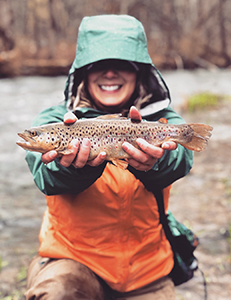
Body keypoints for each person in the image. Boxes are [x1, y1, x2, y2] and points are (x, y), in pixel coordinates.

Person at [24, 15, 193, 300]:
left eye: (121, 66)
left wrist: (156, 162)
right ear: (82, 72)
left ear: (140, 71)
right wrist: (74, 170)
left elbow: (182, 161)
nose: (110, 74)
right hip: (74, 263)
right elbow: (46, 177)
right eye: (99, 66)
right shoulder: (57, 121)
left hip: (147, 272)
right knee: (57, 292)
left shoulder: (162, 120)